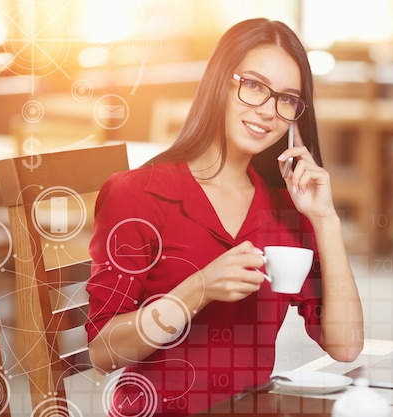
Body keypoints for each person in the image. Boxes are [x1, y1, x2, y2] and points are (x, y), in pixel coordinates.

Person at [85, 18, 364, 416]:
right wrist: (198, 289)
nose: (268, 111)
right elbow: (103, 353)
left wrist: (326, 220)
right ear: (220, 81)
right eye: (253, 86)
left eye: (287, 99)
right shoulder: (137, 194)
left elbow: (346, 345)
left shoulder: (288, 211)